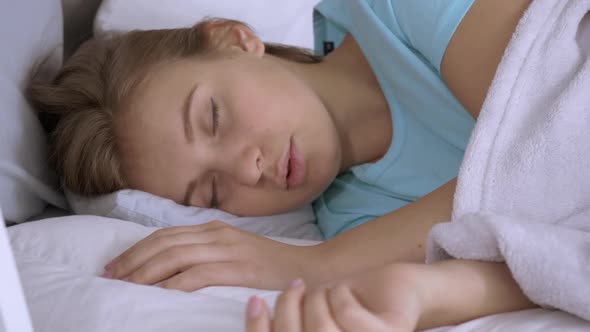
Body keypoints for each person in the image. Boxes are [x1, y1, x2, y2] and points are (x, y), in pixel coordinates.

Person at [28, 0, 537, 330]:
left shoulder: (397, 9)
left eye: (213, 117)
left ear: (234, 40)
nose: (247, 170)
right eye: (211, 193)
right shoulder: (354, 225)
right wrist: (414, 299)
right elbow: (538, 264)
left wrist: (307, 267)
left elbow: (546, 143)